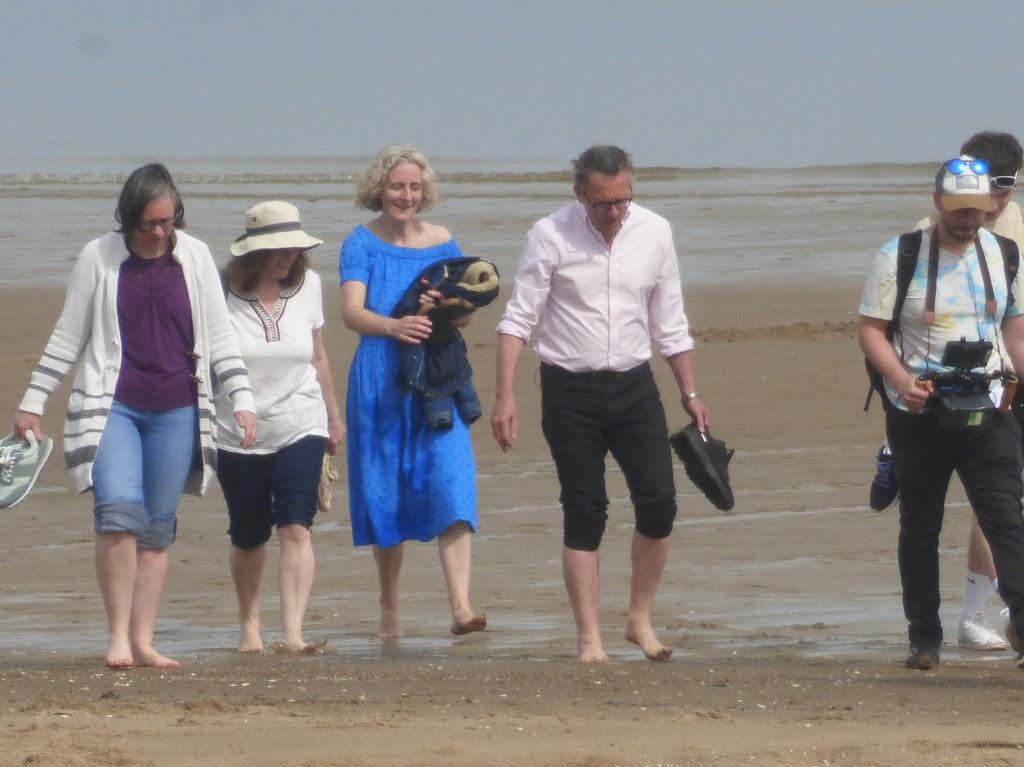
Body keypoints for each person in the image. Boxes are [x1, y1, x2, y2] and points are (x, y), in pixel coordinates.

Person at [12, 163, 256, 668]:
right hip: (113, 406)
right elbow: (67, 334)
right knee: (118, 514)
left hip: (177, 408)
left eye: (168, 222)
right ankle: (117, 637)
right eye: (150, 223)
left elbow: (219, 334)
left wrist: (242, 397)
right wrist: (33, 401)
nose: (160, 232)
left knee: (157, 528)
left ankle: (144, 640)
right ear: (128, 219)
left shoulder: (195, 257)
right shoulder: (98, 257)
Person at [491, 144, 710, 663]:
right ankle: (589, 638)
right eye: (602, 204)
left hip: (635, 386)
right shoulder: (550, 234)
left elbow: (669, 321)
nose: (614, 212)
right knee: (585, 509)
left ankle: (639, 620)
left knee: (659, 502)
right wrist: (505, 396)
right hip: (570, 390)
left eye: (622, 201)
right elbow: (518, 318)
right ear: (579, 194)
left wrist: (691, 392)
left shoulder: (654, 231)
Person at [859, 156, 1024, 670]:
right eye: (957, 209)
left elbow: (1014, 326)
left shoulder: (1005, 254)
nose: (967, 219)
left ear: (990, 205)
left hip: (989, 408)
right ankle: (923, 639)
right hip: (919, 410)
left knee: (1006, 520)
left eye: (976, 209)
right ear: (937, 202)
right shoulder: (899, 255)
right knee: (920, 523)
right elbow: (870, 330)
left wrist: (1015, 382)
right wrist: (902, 382)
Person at [339, 144, 486, 639]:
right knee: (385, 488)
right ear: (378, 189)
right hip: (380, 373)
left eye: (414, 187)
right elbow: (351, 313)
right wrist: (395, 325)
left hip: (438, 379)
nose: (406, 196)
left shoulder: (445, 242)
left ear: (425, 191)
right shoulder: (360, 242)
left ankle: (461, 607)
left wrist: (444, 304)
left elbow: (464, 313)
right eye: (397, 186)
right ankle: (389, 609)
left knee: (452, 478)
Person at [215, 201, 344, 653]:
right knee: (248, 534)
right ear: (250, 252)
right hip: (237, 431)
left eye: (293, 247)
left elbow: (318, 355)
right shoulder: (219, 290)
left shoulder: (309, 284)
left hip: (300, 420)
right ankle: (250, 628)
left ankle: (292, 634)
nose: (287, 256)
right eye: (276, 249)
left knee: (296, 526)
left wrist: (332, 415)